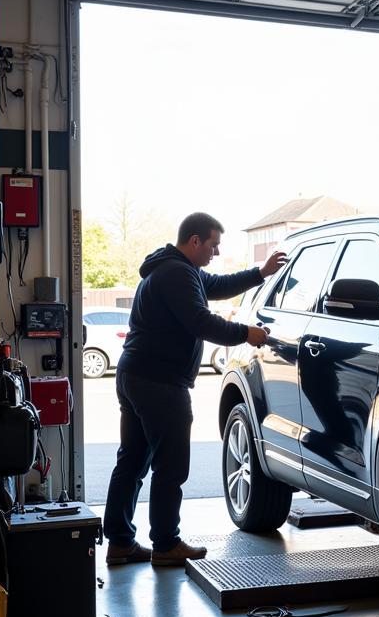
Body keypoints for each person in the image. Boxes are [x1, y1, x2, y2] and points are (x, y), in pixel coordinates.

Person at [103, 212, 287, 567]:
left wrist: (260, 274)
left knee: (132, 461)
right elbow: (200, 321)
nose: (216, 253)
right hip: (158, 382)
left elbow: (216, 285)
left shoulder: (176, 269)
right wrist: (246, 333)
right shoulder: (176, 273)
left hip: (137, 376)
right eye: (213, 245)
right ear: (195, 241)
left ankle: (121, 542)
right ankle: (166, 543)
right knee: (170, 465)